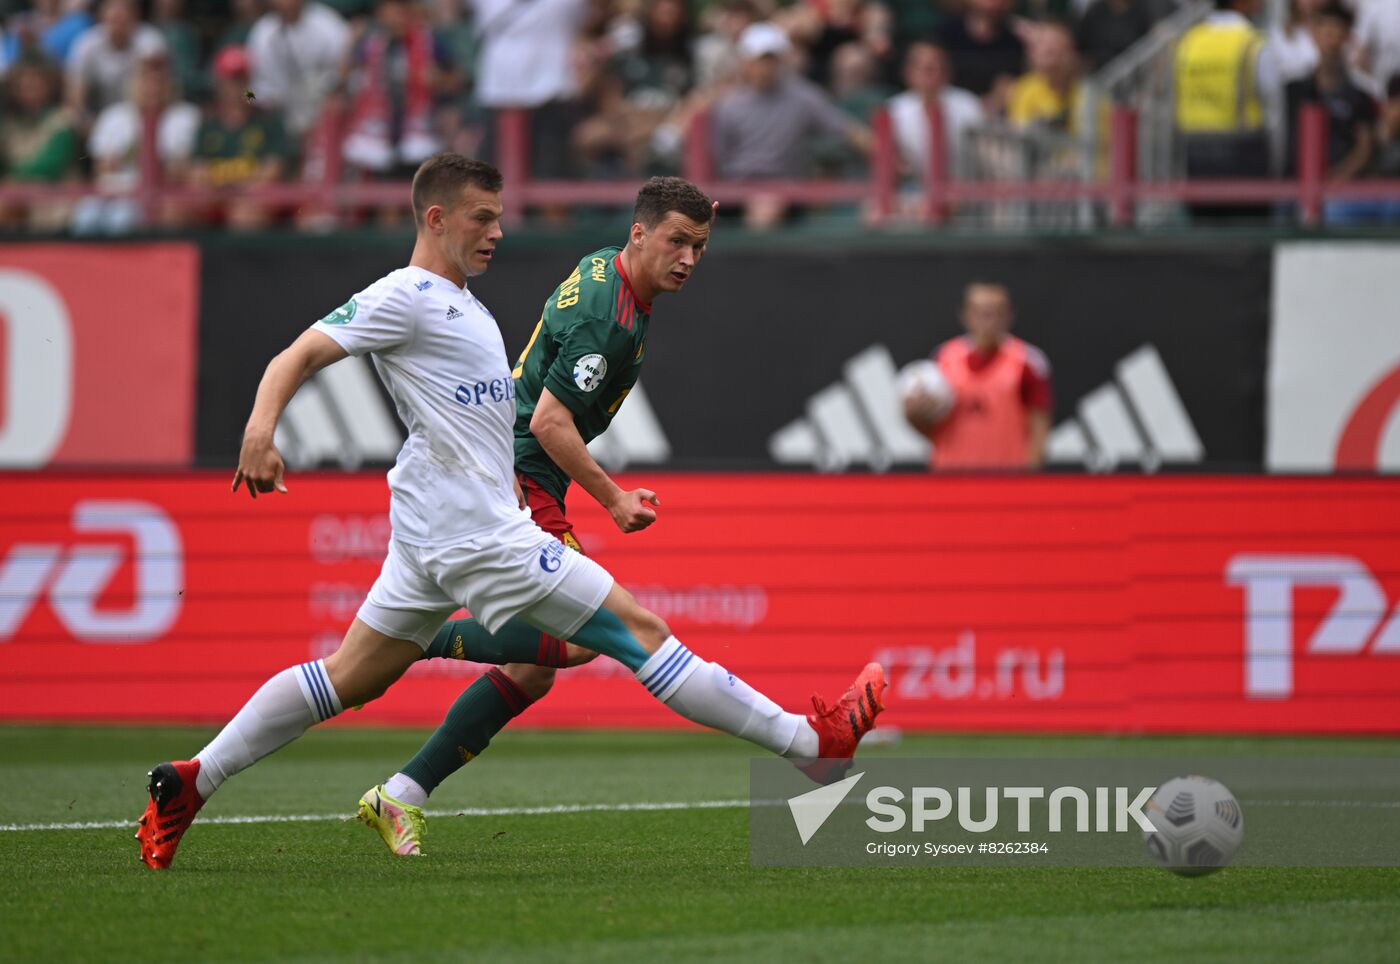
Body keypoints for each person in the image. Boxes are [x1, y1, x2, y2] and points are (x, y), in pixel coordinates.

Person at [135, 154, 885, 870]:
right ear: (436, 218)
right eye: (482, 218)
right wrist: (261, 430)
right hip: (478, 534)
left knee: (346, 679)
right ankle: (808, 745)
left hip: (430, 530)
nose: (498, 232)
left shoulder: (468, 302)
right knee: (638, 634)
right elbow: (296, 354)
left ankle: (193, 778)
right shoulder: (406, 295)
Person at [710, 21, 872, 228]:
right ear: (747, 62)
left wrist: (882, 152)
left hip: (786, 189)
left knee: (766, 208)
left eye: (771, 60)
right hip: (738, 188)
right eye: (760, 60)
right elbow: (718, 157)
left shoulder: (803, 97)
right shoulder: (728, 104)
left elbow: (846, 129)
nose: (765, 67)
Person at [904, 282, 1052, 470]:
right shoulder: (943, 359)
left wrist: (1029, 480)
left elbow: (1039, 432)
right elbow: (930, 430)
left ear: (1009, 315)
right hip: (951, 477)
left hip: (1006, 479)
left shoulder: (1027, 362)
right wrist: (914, 415)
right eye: (981, 312)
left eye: (995, 313)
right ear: (965, 314)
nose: (988, 320)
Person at [1173, 0, 1277, 223]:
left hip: (1196, 161)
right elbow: (1274, 103)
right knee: (1249, 249)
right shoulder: (1252, 42)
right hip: (1245, 162)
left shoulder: (1188, 42)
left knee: (1206, 247)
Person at [1285, 1, 1379, 225]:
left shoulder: (1361, 93)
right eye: (1324, 30)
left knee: (1338, 210)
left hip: (1344, 189)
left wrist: (1336, 181)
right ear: (1313, 34)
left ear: (1347, 36)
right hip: (1298, 185)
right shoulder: (1294, 89)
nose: (1330, 38)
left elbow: (1365, 146)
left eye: (1336, 31)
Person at [245, 0, 351, 139]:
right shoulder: (261, 32)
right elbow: (251, 88)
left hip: (323, 113)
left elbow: (346, 71)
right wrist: (254, 102)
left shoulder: (328, 24)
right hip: (279, 116)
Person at [64, 0, 165, 128]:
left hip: (140, 117)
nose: (119, 15)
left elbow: (158, 89)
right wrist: (86, 124)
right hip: (95, 118)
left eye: (125, 10)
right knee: (66, 118)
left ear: (136, 15)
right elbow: (74, 95)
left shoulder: (151, 43)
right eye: (113, 12)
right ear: (101, 15)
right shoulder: (86, 44)